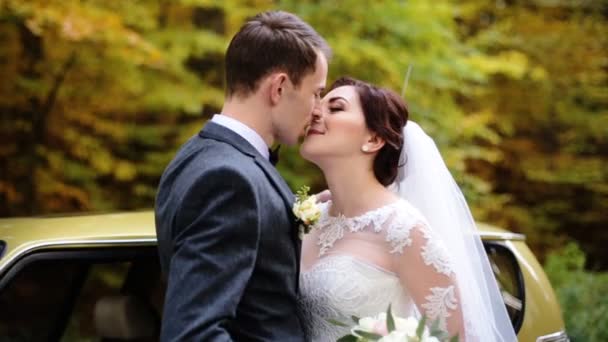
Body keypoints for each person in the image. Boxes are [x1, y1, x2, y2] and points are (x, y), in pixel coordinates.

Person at [298, 77, 517, 341]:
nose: (315, 112)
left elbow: (455, 337)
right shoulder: (309, 216)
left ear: (373, 139)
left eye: (336, 108)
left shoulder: (403, 230)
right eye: (318, 103)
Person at [155, 11, 330, 341]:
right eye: (316, 92)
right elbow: (194, 334)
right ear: (279, 87)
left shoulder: (198, 154)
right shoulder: (229, 180)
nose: (318, 109)